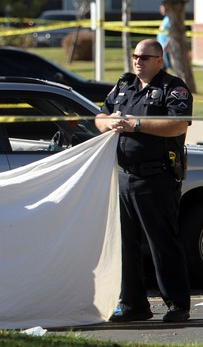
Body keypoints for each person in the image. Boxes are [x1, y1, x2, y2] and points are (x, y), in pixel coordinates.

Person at [95, 39, 192, 323]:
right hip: (124, 176)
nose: (138, 61)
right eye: (135, 56)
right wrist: (109, 122)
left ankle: (177, 305)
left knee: (162, 244)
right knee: (124, 244)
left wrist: (136, 124)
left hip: (156, 177)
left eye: (145, 57)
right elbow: (99, 116)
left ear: (159, 60)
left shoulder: (171, 88)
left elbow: (178, 123)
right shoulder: (124, 86)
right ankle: (133, 304)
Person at [157, 3, 171, 70]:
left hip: (166, 47)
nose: (161, 10)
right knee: (163, 67)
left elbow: (171, 33)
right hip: (161, 46)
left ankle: (180, 77)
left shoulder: (169, 19)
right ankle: (162, 80)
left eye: (162, 8)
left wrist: (167, 44)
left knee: (169, 64)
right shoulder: (165, 19)